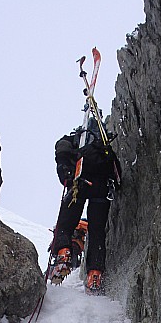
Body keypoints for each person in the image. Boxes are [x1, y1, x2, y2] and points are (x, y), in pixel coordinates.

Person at [50, 116, 121, 293]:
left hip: (79, 185)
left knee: (65, 224)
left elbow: (61, 151)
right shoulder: (104, 149)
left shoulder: (76, 140)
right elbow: (118, 175)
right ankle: (94, 275)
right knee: (97, 233)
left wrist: (67, 174)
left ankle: (63, 253)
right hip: (101, 191)